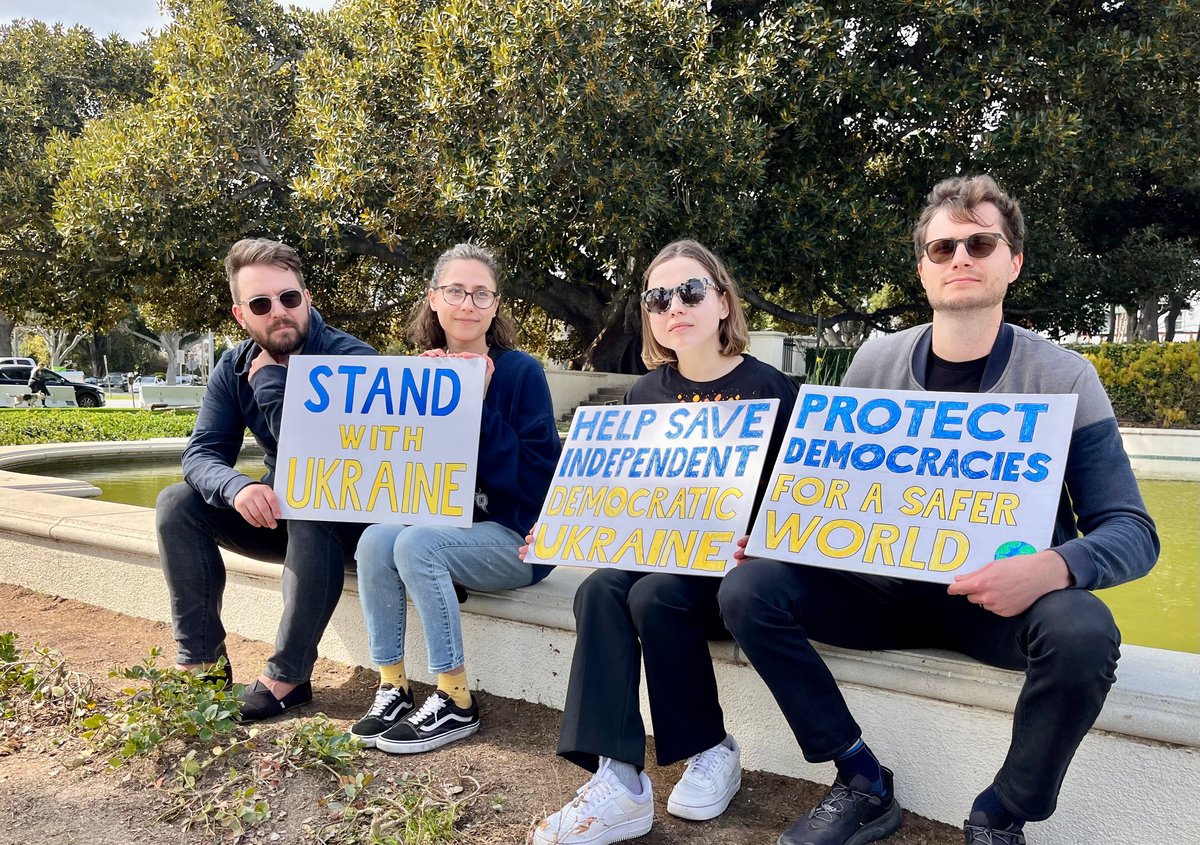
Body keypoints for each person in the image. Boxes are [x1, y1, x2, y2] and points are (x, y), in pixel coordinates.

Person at [718, 175, 1160, 845]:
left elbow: (1133, 530)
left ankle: (1001, 812)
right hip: (880, 593)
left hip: (998, 607)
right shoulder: (874, 360)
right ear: (922, 268)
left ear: (1012, 262)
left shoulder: (1066, 377)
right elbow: (829, 489)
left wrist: (1053, 567)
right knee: (750, 585)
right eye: (942, 246)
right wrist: (781, 530)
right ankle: (860, 777)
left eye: (980, 243)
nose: (960, 258)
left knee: (1084, 631)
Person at [530, 240, 798, 845]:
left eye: (691, 291)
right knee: (599, 588)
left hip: (735, 579)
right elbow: (622, 499)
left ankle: (712, 749)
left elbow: (795, 501)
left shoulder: (771, 389)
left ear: (724, 302)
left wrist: (763, 540)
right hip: (665, 559)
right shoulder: (642, 395)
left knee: (652, 595)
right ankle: (618, 777)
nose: (674, 305)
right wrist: (565, 524)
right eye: (658, 298)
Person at [349, 243, 561, 754]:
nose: (467, 303)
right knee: (378, 538)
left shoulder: (520, 373)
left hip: (517, 538)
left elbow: (537, 481)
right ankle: (393, 684)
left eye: (480, 293)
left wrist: (476, 402)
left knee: (417, 544)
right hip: (450, 531)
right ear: (434, 300)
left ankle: (455, 700)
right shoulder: (419, 375)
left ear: (494, 305)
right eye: (455, 291)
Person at [156, 237, 376, 720]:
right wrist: (238, 487)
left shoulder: (353, 359)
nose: (278, 311)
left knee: (314, 501)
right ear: (241, 316)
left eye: (289, 298)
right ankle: (202, 666)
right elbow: (201, 453)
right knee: (177, 505)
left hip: (351, 525)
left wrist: (271, 386)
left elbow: (327, 462)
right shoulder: (233, 366)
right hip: (290, 521)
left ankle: (288, 677)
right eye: (261, 303)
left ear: (307, 298)